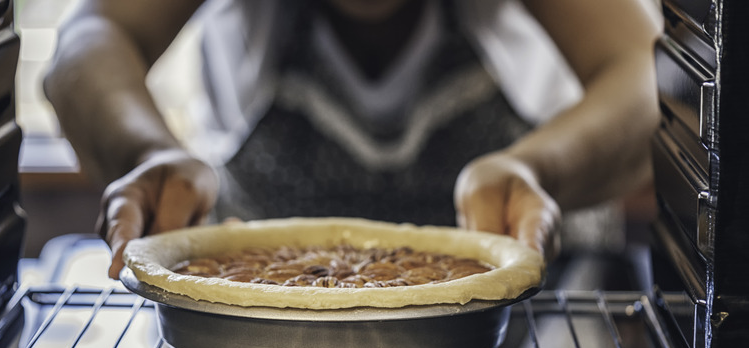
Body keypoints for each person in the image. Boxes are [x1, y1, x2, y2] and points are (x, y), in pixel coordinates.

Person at [44, 0, 661, 280]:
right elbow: (87, 41)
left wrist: (539, 168)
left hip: (536, 333)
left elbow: (645, 75)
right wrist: (146, 152)